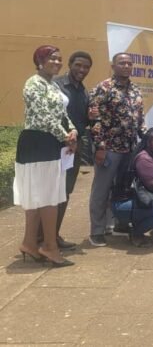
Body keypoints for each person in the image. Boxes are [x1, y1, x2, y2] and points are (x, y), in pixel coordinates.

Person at [15, 45, 77, 267]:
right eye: (53, 58)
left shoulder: (52, 85)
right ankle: (49, 246)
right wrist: (65, 137)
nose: (58, 62)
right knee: (47, 197)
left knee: (42, 195)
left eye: (60, 59)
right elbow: (43, 116)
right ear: (40, 60)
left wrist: (73, 130)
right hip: (38, 142)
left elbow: (62, 114)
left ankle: (29, 243)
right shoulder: (33, 83)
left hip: (51, 142)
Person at [89, 53, 146, 247]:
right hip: (109, 148)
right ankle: (97, 230)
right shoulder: (103, 88)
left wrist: (149, 137)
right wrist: (99, 147)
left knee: (122, 189)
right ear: (113, 66)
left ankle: (116, 223)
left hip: (129, 148)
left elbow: (139, 119)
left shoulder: (136, 90)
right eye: (122, 63)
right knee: (101, 189)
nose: (126, 66)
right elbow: (94, 121)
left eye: (130, 63)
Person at [50, 50, 92, 250]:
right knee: (50, 192)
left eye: (86, 67)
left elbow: (85, 121)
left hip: (74, 149)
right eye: (78, 65)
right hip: (55, 146)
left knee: (65, 192)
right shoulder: (55, 85)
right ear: (70, 64)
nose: (82, 70)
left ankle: (54, 235)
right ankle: (43, 237)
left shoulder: (84, 92)